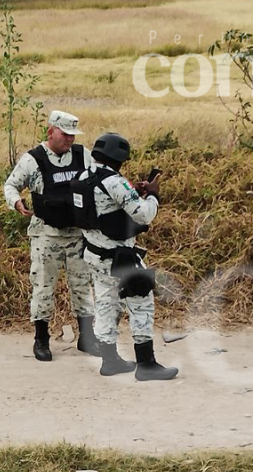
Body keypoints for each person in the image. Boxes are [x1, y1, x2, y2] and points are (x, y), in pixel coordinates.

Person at [72, 132, 178, 381]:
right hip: (120, 257)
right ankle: (146, 364)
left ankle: (110, 361)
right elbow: (143, 215)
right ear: (119, 159)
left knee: (106, 304)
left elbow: (106, 211)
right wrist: (153, 194)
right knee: (142, 303)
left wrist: (133, 191)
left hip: (94, 254)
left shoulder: (83, 177)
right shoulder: (114, 182)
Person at [3, 110, 99, 362]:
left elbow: (98, 181)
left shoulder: (82, 156)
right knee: (43, 286)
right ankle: (41, 340)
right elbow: (11, 185)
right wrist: (16, 203)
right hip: (46, 233)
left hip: (77, 232)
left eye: (72, 135)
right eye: (65, 134)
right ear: (51, 132)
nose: (69, 140)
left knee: (82, 285)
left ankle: (87, 338)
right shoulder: (33, 160)